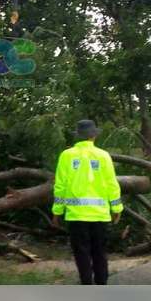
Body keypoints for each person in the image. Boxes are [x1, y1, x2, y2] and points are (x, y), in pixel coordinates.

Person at [52, 119, 123, 285]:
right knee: (100, 252)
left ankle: (86, 285)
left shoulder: (66, 155)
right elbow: (112, 184)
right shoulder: (103, 156)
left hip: (76, 216)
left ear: (78, 136)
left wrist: (57, 212)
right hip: (99, 215)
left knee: (81, 253)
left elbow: (60, 186)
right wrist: (117, 208)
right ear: (94, 136)